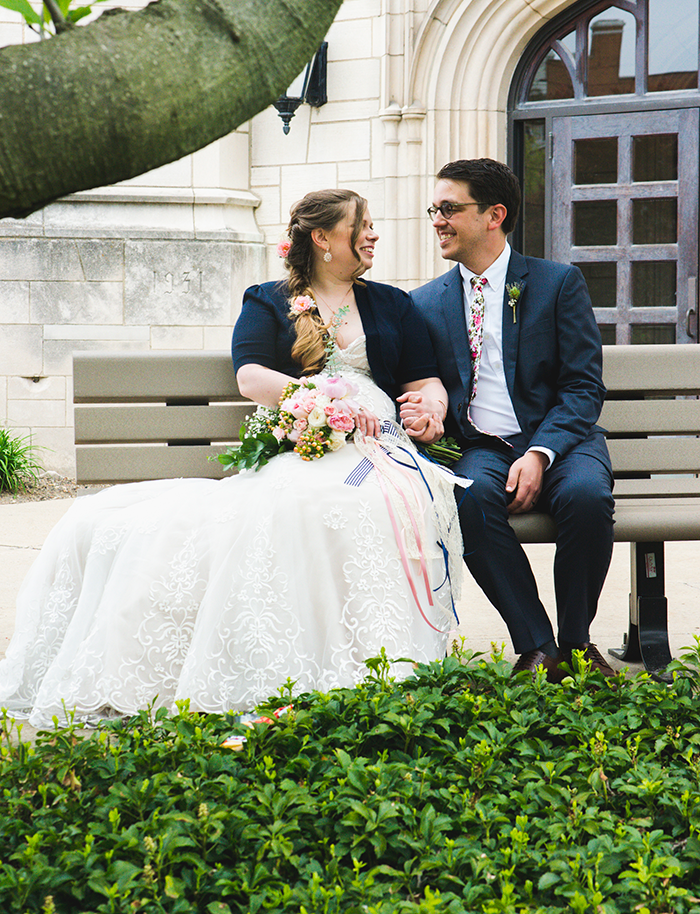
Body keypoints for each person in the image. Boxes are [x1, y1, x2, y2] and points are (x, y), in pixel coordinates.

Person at [0, 189, 467, 727]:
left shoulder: (392, 304)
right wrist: (320, 404)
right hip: (304, 436)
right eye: (361, 224)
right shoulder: (268, 299)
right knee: (299, 499)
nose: (373, 234)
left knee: (365, 501)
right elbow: (250, 376)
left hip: (381, 448)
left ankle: (378, 659)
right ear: (322, 239)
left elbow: (424, 379)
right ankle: (299, 661)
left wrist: (430, 409)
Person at [411, 158, 615, 680]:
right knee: (467, 496)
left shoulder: (556, 283)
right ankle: (537, 645)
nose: (437, 219)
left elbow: (582, 387)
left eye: (450, 208)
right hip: (479, 447)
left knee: (586, 498)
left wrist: (539, 452)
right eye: (435, 208)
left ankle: (575, 643)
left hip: (561, 440)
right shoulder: (425, 303)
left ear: (494, 215)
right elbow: (421, 382)